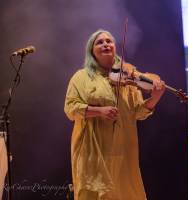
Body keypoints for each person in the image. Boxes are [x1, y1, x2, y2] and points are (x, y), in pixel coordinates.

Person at [64, 29, 165, 200]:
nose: (105, 44)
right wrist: (99, 111)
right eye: (100, 42)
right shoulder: (81, 77)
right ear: (91, 50)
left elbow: (138, 112)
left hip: (123, 149)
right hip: (92, 151)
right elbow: (71, 108)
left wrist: (154, 98)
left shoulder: (128, 74)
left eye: (109, 41)